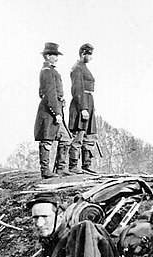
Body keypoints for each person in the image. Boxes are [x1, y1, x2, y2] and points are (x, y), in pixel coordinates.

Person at [34, 42, 72, 178]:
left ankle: (61, 168)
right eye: (54, 55)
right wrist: (56, 113)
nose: (56, 58)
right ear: (47, 56)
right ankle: (45, 171)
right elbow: (49, 93)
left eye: (57, 55)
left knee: (66, 138)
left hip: (55, 107)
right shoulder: (47, 71)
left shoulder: (51, 71)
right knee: (47, 139)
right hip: (49, 111)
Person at [68, 43, 99, 175]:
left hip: (89, 102)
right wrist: (83, 108)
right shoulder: (77, 68)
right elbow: (77, 89)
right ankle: (74, 166)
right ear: (83, 54)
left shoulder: (83, 67)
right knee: (78, 136)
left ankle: (87, 165)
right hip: (82, 104)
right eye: (89, 54)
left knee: (89, 136)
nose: (91, 57)